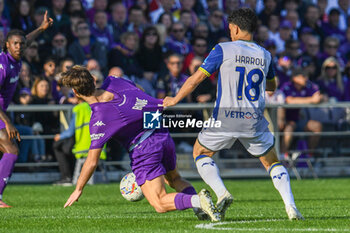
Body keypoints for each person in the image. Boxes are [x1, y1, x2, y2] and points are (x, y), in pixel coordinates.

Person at [163, 8, 304, 220]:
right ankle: (291, 206)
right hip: (254, 119)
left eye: (230, 29)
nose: (230, 33)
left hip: (226, 117)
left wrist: (174, 99)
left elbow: (197, 78)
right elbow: (272, 86)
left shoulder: (223, 49)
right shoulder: (265, 55)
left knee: (200, 152)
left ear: (236, 28)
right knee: (272, 162)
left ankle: (221, 192)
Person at [61, 66, 220, 222]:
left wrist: (78, 189)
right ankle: (201, 209)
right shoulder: (114, 80)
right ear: (93, 80)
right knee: (173, 179)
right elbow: (140, 91)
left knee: (159, 202)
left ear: (75, 92)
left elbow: (91, 162)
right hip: (161, 133)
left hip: (144, 148)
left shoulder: (99, 119)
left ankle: (199, 201)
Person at [0, 11, 53, 208]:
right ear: (7, 45)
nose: (20, 47)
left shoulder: (16, 57)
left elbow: (26, 39)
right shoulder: (3, 66)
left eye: (22, 44)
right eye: (16, 44)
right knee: (11, 150)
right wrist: (8, 122)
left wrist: (41, 28)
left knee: (9, 151)